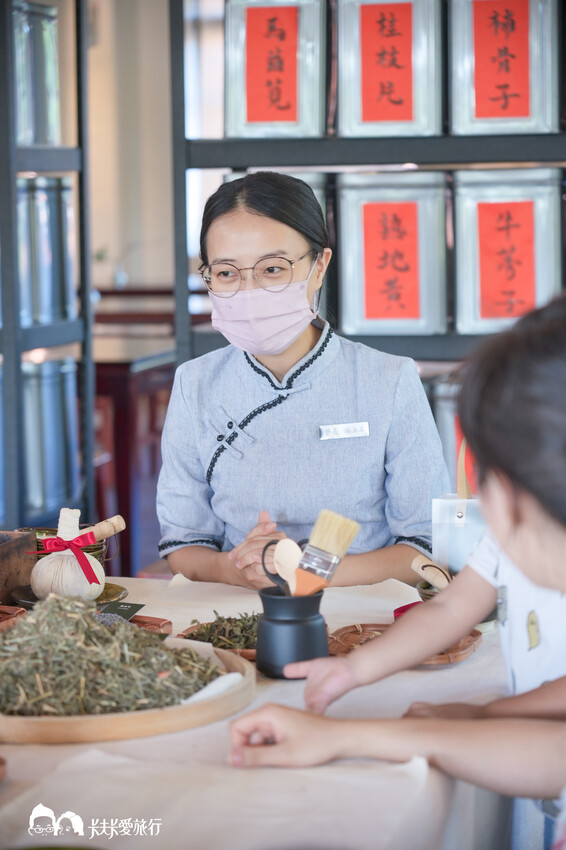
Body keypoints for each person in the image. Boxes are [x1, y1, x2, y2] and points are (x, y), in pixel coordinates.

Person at [228, 296, 566, 825]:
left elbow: (550, 754)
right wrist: (355, 669)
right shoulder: (515, 540)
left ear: (513, 497)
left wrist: (471, 719)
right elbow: (451, 608)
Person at [157, 171, 450, 588]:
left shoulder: (389, 380)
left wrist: (305, 570)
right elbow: (184, 543)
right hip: (238, 607)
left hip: (365, 610)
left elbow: (425, 543)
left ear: (319, 266)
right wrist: (236, 568)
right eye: (226, 273)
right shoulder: (195, 384)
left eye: (272, 269)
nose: (249, 291)